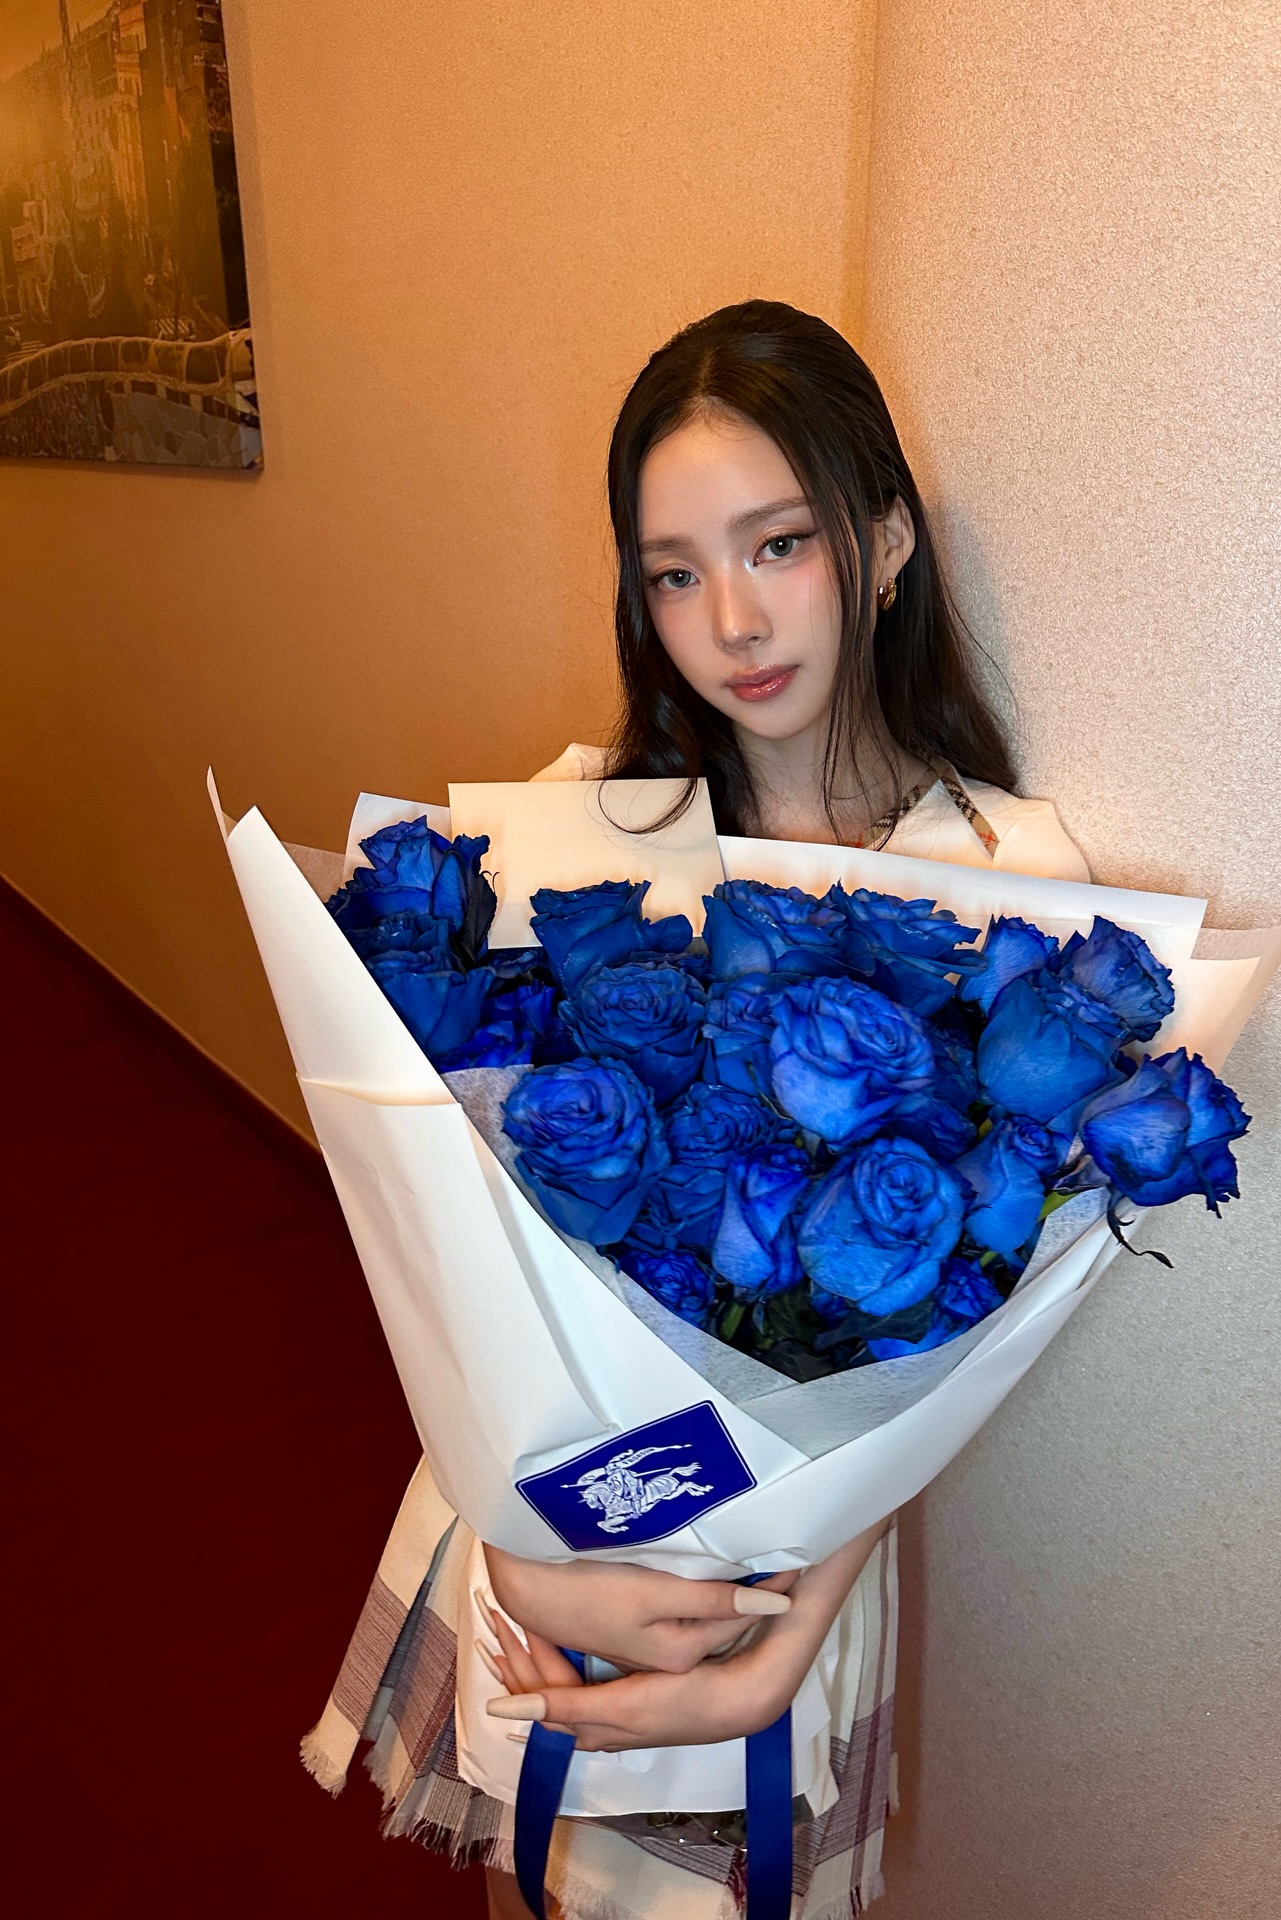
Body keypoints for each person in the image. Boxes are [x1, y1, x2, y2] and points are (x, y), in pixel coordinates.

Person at [302, 301, 1088, 1920]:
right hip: (547, 1527)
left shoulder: (1014, 894)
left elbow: (953, 1329)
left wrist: (796, 1622)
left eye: (778, 543)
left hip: (795, 1569)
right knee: (540, 1876)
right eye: (673, 573)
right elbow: (458, 1248)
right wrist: (520, 1541)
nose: (730, 621)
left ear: (884, 542)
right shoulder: (574, 838)